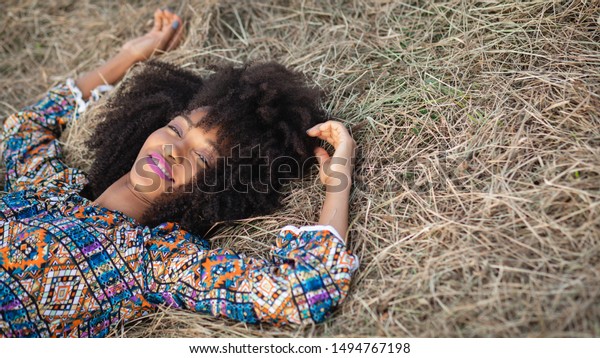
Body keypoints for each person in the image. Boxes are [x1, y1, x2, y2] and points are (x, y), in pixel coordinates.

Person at [0, 9, 358, 337]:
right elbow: (22, 129)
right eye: (175, 129)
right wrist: (130, 56)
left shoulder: (151, 260)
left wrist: (338, 180)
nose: (173, 151)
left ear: (215, 189)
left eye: (201, 159)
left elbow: (302, 290)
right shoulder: (49, 186)